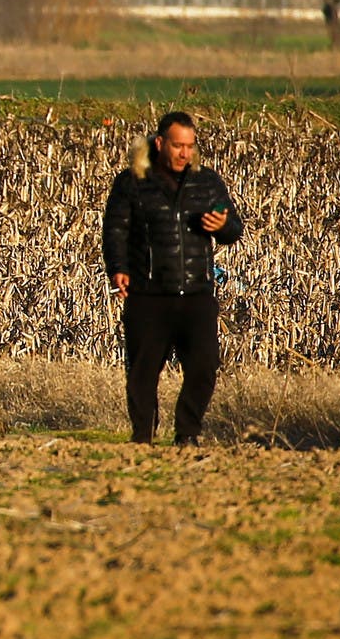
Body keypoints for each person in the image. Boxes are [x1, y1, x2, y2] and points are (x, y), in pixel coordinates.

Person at [102, 112, 243, 446]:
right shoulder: (132, 182)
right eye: (178, 145)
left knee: (204, 367)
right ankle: (142, 437)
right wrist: (117, 268)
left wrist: (221, 226)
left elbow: (233, 228)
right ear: (161, 143)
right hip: (148, 292)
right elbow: (115, 230)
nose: (185, 153)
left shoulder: (206, 182)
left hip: (196, 291)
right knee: (142, 374)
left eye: (190, 146)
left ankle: (187, 434)